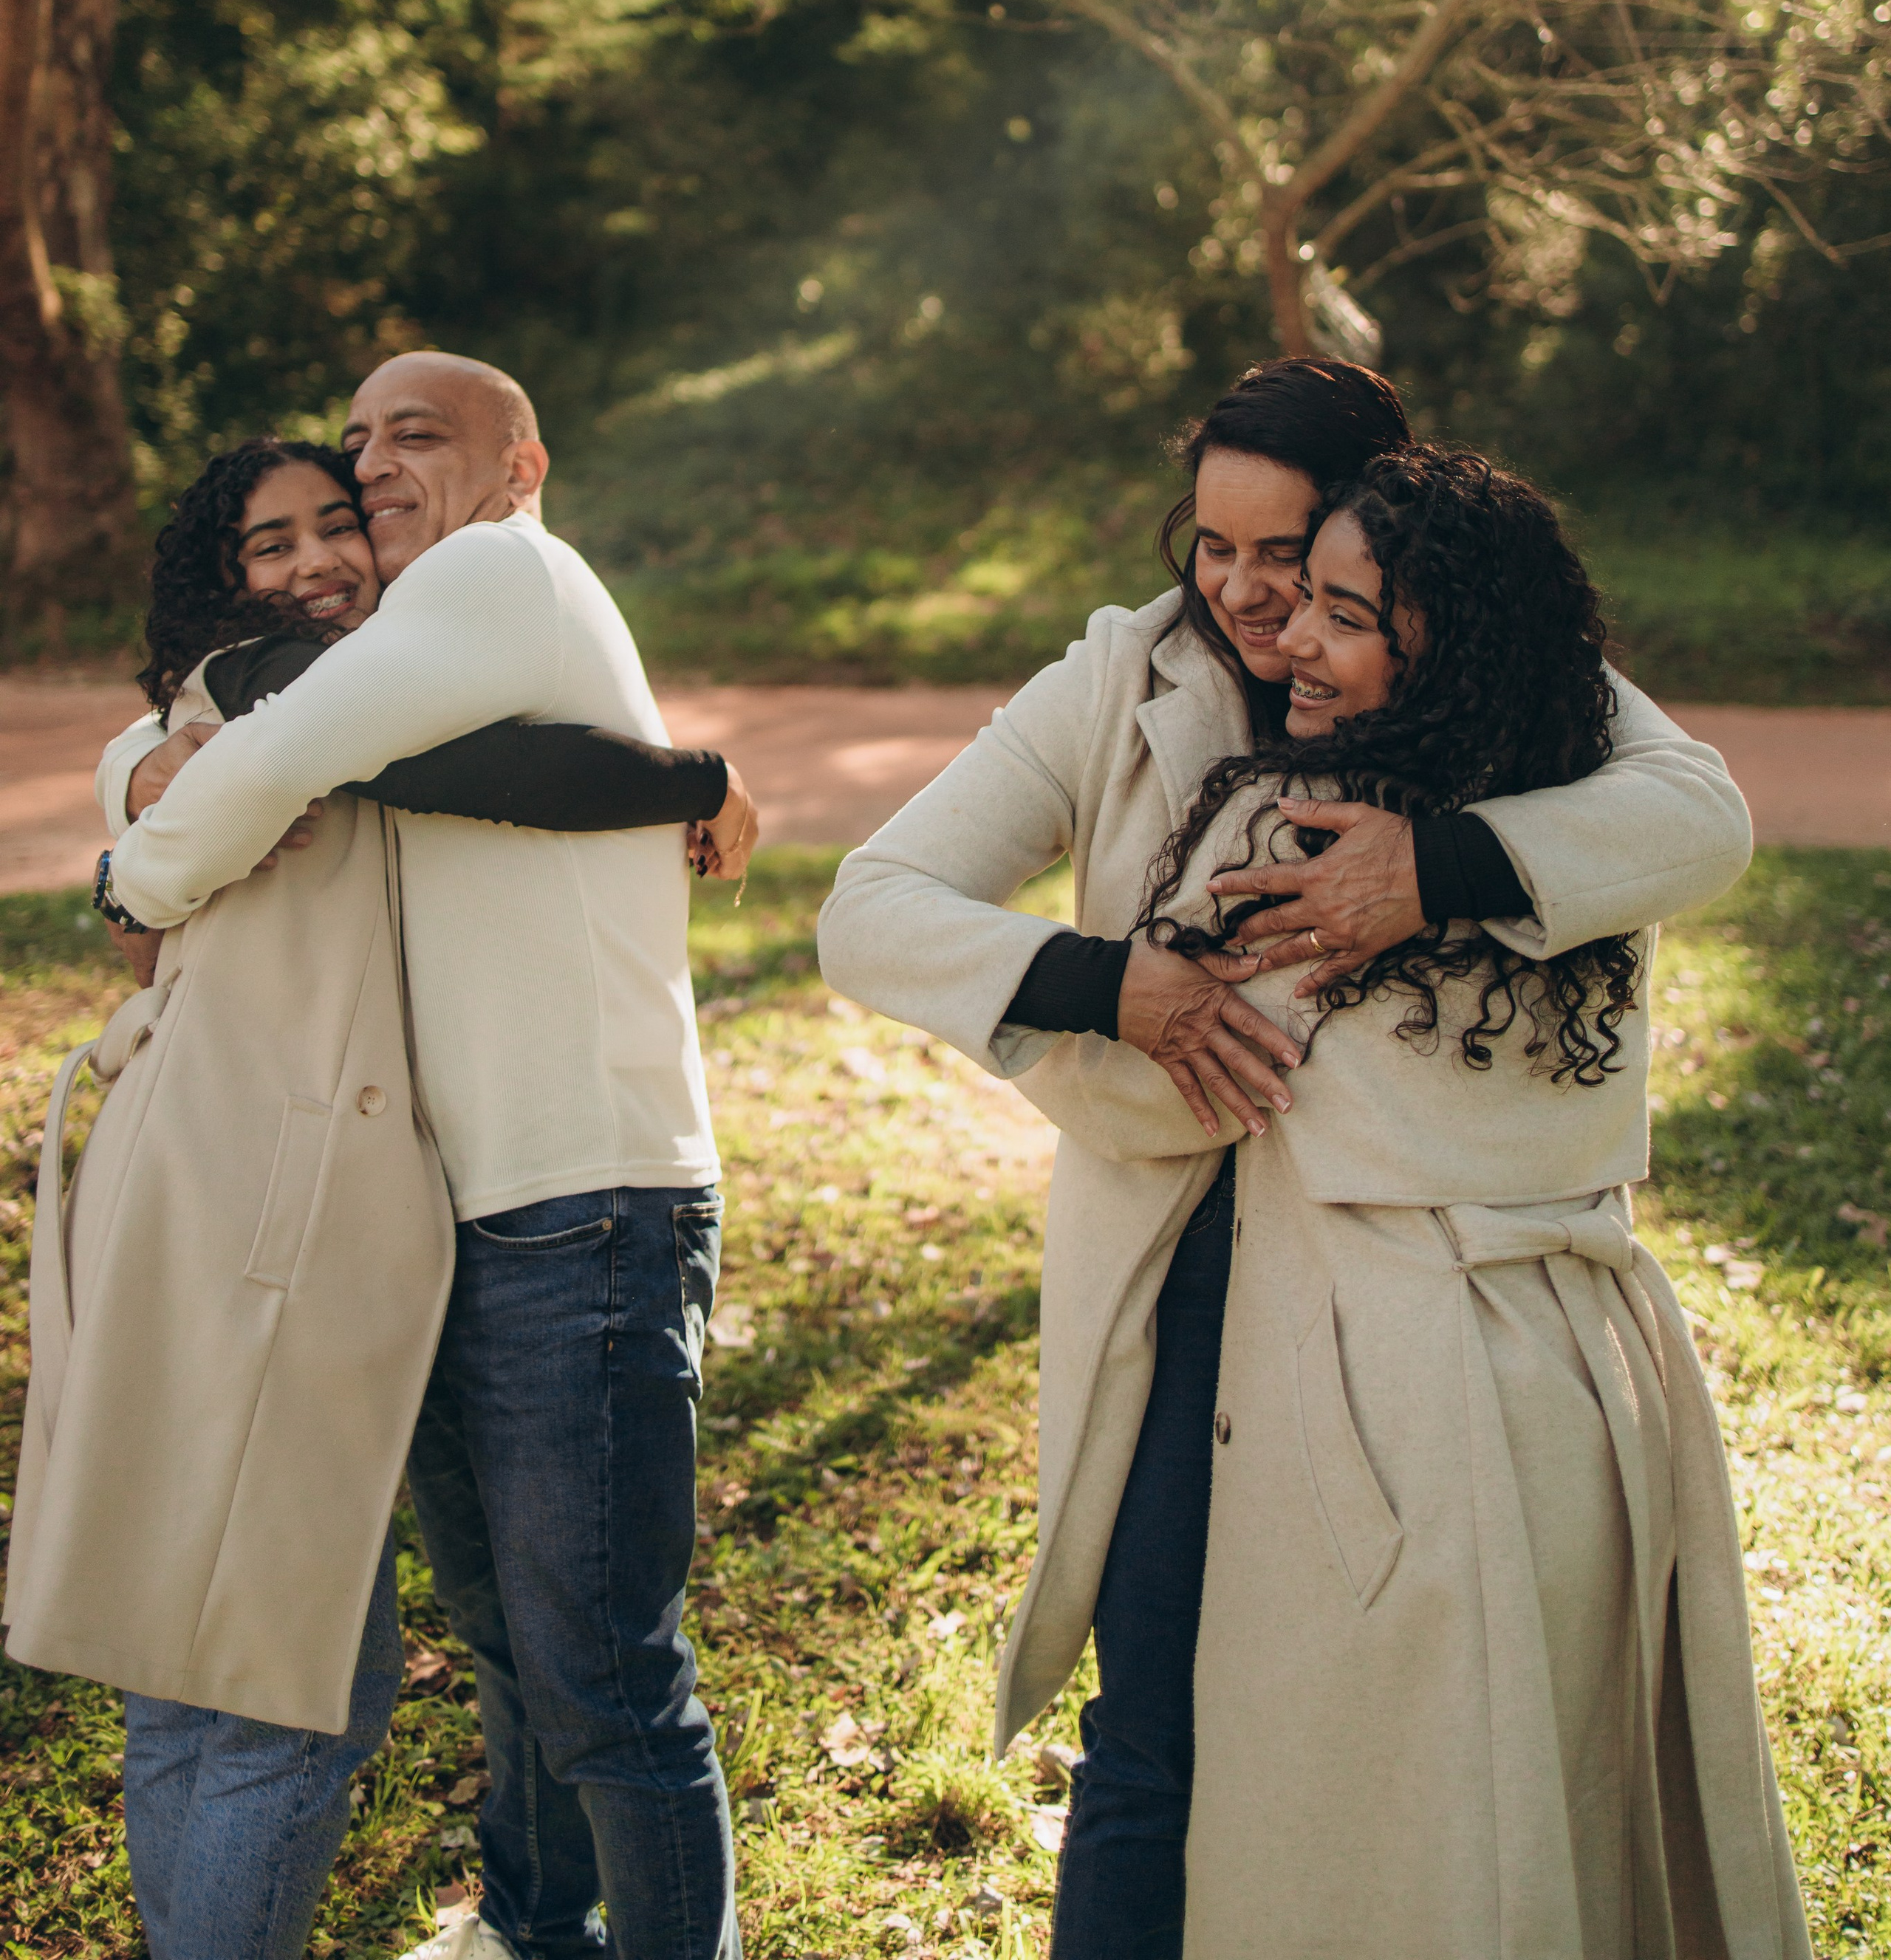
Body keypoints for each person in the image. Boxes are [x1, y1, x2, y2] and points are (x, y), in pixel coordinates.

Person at [818, 355, 1755, 1960]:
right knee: (1155, 1716)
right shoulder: (1122, 675)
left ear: (1385, 526)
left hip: (1405, 1279)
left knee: (1407, 1734)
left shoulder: (1510, 664)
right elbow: (874, 907)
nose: (1249, 597)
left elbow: (1693, 817)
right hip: (1185, 1259)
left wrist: (1439, 864)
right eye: (1213, 547)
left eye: (1292, 551)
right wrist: (1117, 987)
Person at [7, 432, 754, 1960]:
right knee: (284, 1690)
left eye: (333, 525)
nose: (312, 562)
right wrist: (692, 776)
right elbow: (498, 768)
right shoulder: (282, 690)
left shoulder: (306, 693)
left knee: (200, 1666)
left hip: (239, 1195)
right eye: (266, 543)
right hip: (251, 1203)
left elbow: (454, 763)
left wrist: (137, 776)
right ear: (221, 588)